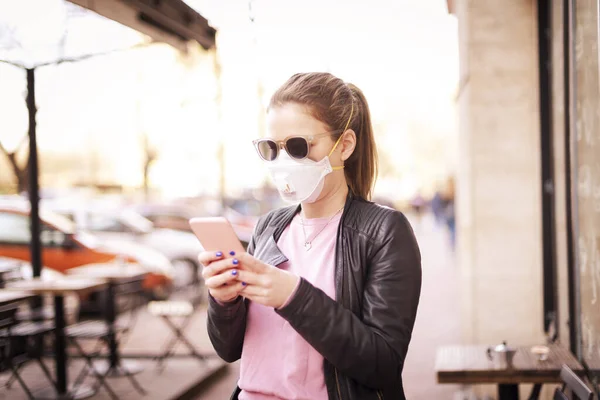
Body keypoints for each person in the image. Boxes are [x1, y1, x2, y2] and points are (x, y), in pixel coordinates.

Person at [199, 72, 422, 400]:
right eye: (271, 148)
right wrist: (224, 301)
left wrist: (294, 296)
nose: (284, 161)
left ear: (344, 145)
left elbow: (383, 364)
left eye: (299, 146)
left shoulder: (384, 232)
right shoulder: (269, 228)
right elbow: (229, 349)